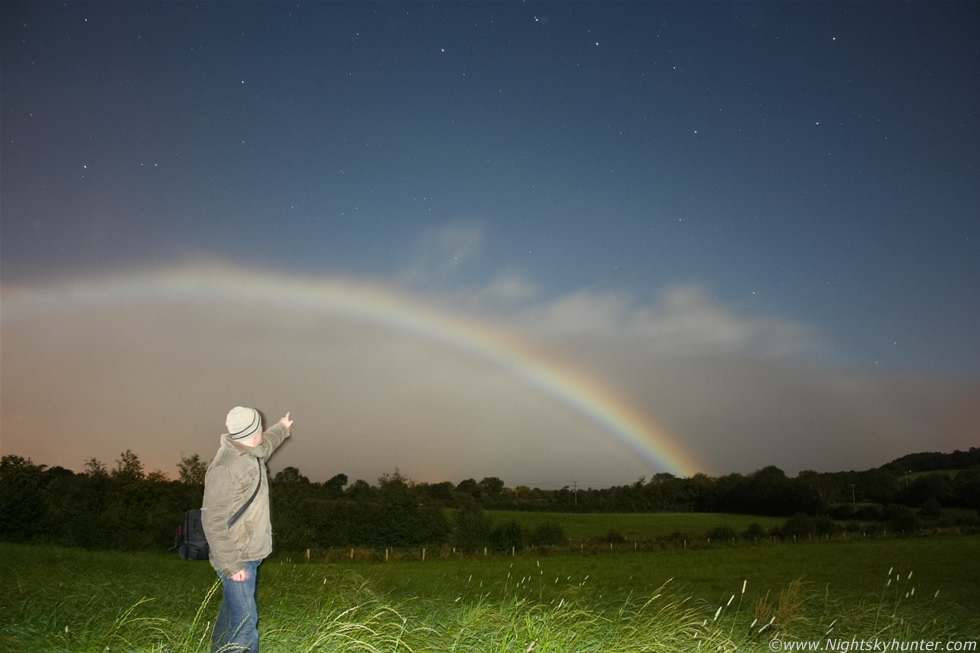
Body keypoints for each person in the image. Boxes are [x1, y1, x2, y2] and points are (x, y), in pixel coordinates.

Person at [202, 406, 294, 653]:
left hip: (249, 553)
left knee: (232, 613)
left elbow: (267, 445)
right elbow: (212, 521)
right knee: (245, 626)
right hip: (237, 557)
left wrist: (282, 428)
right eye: (260, 426)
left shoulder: (250, 450)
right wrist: (232, 566)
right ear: (253, 431)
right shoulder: (225, 467)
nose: (263, 430)